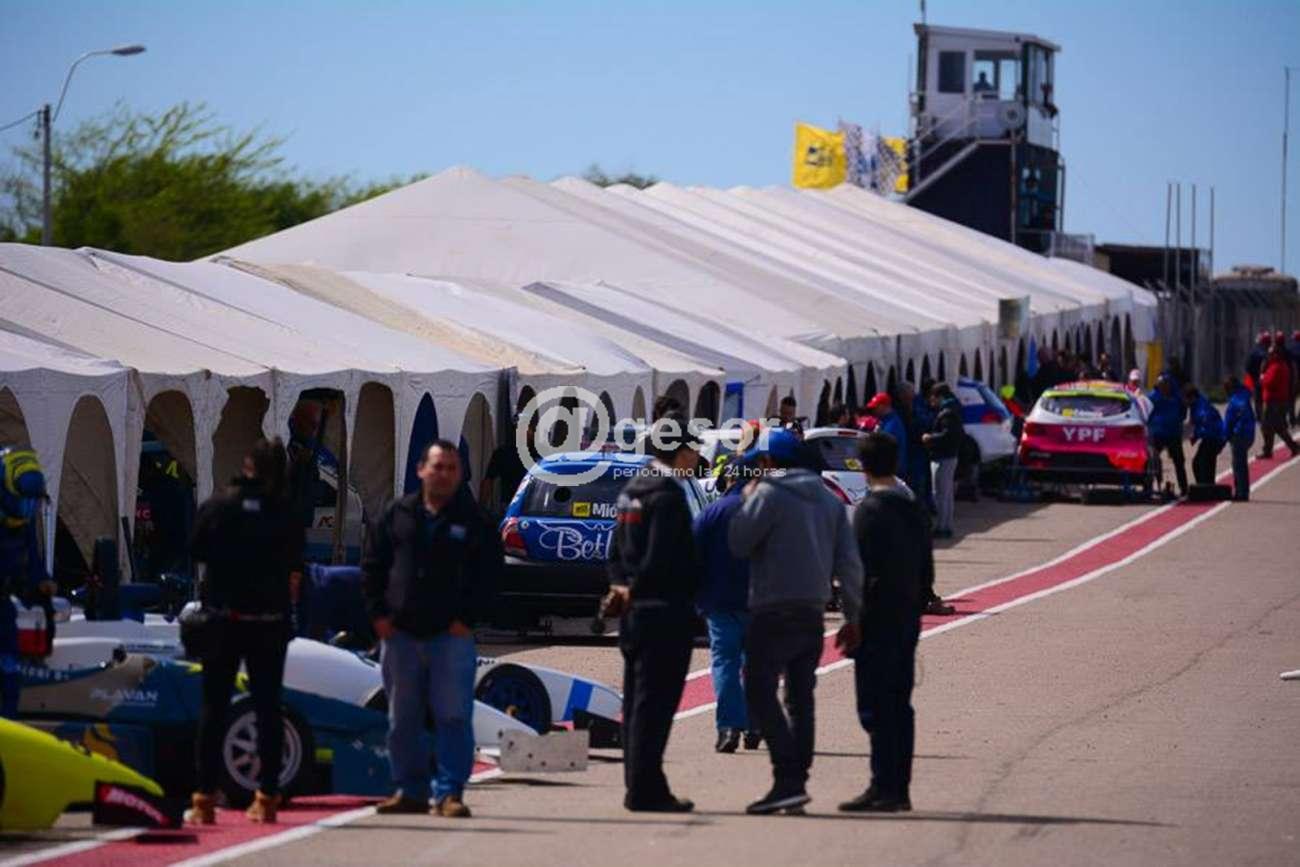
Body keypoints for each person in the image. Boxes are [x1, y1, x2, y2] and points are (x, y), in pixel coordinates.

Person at [728, 428, 863, 815]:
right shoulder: (829, 500)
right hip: (812, 612)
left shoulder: (767, 494)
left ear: (768, 462)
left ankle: (786, 778)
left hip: (772, 609)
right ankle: (797, 782)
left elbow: (738, 543)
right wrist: (854, 617)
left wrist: (748, 497)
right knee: (801, 699)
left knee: (758, 692)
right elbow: (849, 564)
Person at [363, 440, 501, 819]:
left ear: (460, 474)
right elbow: (373, 565)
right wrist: (378, 617)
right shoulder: (398, 514)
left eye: (451, 468)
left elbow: (491, 576)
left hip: (450, 638)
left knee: (452, 716)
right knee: (402, 719)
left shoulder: (475, 520)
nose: (444, 475)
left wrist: (467, 620)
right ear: (421, 469)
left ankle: (450, 793)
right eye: (438, 467)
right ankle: (409, 790)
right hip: (400, 636)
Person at [187, 438, 304, 825]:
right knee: (268, 707)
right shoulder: (284, 513)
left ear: (246, 465)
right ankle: (267, 796)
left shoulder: (219, 506)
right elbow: (296, 561)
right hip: (269, 621)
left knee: (213, 707)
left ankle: (204, 798)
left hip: (224, 618)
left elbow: (195, 549)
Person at [607, 412, 702, 812]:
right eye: (693, 449)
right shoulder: (668, 496)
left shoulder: (632, 490)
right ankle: (646, 789)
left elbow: (615, 552)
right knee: (656, 705)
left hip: (634, 614)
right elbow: (662, 558)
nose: (697, 457)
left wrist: (621, 587)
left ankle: (640, 783)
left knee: (637, 703)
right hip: (664, 612)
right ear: (679, 451)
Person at [839, 431, 932, 813]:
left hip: (876, 619)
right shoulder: (913, 507)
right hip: (906, 616)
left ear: (863, 467)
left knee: (874, 705)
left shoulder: (869, 511)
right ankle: (898, 787)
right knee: (899, 702)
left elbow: (856, 571)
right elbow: (927, 568)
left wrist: (852, 619)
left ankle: (883, 785)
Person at [692, 458, 760, 754]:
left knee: (725, 663)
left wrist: (696, 597)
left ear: (728, 479)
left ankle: (729, 727)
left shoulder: (712, 511)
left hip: (719, 602)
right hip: (760, 602)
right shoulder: (766, 511)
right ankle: (756, 726)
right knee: (757, 665)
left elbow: (692, 556)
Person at [0, 448, 52, 719]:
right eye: (26, 501)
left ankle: (9, 722)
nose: (30, 508)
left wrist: (41, 581)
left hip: (3, 605)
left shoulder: (22, 520)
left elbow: (31, 555)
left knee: (10, 668)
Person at [922, 384, 963, 538]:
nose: (931, 400)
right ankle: (946, 525)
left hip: (943, 457)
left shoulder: (947, 413)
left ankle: (942, 527)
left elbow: (947, 435)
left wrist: (929, 438)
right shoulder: (954, 408)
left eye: (932, 397)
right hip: (950, 456)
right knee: (946, 494)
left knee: (940, 494)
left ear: (938, 396)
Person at [480, 414, 536, 513]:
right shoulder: (502, 453)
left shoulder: (538, 454)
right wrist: (481, 507)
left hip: (534, 505)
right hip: (509, 505)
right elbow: (488, 481)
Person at [1146, 374, 1189, 497]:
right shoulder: (1152, 397)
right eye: (1161, 385)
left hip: (1173, 434)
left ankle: (1184, 488)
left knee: (1179, 462)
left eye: (1165, 385)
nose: (1163, 387)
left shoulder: (1177, 397)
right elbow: (1145, 412)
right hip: (1157, 434)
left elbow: (1183, 412)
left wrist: (1178, 420)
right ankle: (1148, 487)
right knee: (1152, 461)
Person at [1259, 345, 1300, 459]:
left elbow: (1268, 383)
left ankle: (1270, 450)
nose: (1269, 356)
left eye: (1271, 354)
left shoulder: (1276, 367)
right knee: (1276, 427)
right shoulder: (1279, 366)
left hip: (1273, 402)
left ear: (1276, 355)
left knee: (1268, 426)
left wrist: (1262, 376)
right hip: (1277, 400)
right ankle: (1289, 447)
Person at [1183, 384, 1225, 486]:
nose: (1184, 402)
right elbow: (1196, 424)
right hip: (1210, 437)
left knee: (1200, 464)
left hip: (1215, 437)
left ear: (1192, 397)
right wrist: (1195, 436)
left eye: (1186, 399)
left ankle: (1204, 487)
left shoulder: (1202, 407)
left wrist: (1196, 434)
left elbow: (1207, 426)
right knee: (1204, 464)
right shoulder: (1195, 405)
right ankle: (1207, 487)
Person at [1223, 376, 1257, 501]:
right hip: (1248, 433)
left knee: (1238, 465)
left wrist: (1226, 436)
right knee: (1240, 464)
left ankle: (1241, 493)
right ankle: (1243, 491)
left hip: (1240, 435)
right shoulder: (1243, 396)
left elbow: (1229, 421)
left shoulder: (1236, 401)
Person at [1246, 331, 1271, 420]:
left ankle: (1259, 416)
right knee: (1266, 398)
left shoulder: (1254, 352)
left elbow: (1248, 366)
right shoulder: (1270, 353)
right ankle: (1265, 415)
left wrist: (1254, 376)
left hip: (1257, 379)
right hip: (1268, 379)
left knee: (1258, 399)